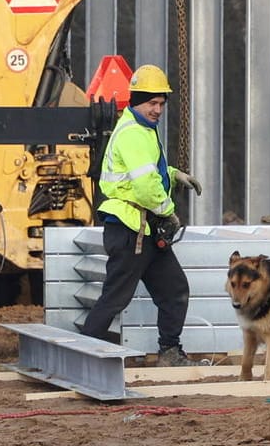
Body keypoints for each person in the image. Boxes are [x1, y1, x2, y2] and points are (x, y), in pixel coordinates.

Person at [77, 64, 202, 365]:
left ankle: (169, 351)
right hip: (130, 229)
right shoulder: (133, 133)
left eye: (161, 103)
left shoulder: (144, 129)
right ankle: (80, 358)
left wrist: (173, 174)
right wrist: (170, 212)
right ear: (136, 101)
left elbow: (150, 171)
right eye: (152, 103)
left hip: (143, 230)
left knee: (174, 290)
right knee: (115, 298)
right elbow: (145, 186)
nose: (158, 109)